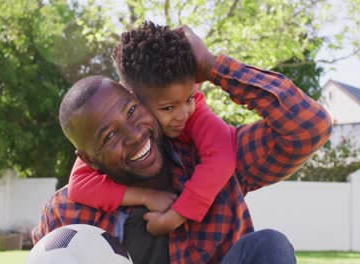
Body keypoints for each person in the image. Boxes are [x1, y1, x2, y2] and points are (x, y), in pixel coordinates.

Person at [32, 24, 332, 264]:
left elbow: (309, 127)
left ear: (136, 98)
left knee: (269, 245)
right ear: (89, 159)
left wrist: (213, 66)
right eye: (109, 136)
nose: (134, 135)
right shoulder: (65, 211)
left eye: (132, 111)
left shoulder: (218, 157)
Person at [67, 22, 236, 235]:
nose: (183, 113)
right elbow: (79, 184)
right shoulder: (119, 117)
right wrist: (145, 197)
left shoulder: (195, 112)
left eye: (189, 98)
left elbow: (222, 158)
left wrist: (175, 216)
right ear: (133, 98)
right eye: (168, 108)